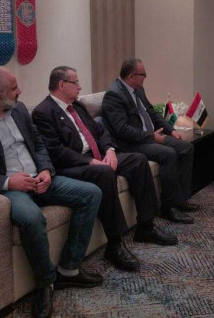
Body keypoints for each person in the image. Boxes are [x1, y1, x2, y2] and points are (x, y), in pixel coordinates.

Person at [0, 67, 102, 318]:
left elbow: (39, 145)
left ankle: (69, 268)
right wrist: (8, 182)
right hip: (12, 190)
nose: (20, 91)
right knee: (31, 218)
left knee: (91, 193)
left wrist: (46, 170)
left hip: (41, 179)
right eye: (14, 88)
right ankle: (45, 282)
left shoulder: (19, 110)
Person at [32, 67, 178, 272]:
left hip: (98, 156)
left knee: (137, 160)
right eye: (75, 82)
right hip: (73, 166)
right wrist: (92, 162)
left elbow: (100, 130)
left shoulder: (77, 106)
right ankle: (115, 243)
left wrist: (110, 150)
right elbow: (55, 151)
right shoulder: (43, 112)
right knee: (104, 173)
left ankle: (146, 226)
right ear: (61, 84)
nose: (80, 87)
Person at [102, 58, 198, 224]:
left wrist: (171, 130)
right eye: (143, 74)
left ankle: (180, 200)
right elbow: (122, 130)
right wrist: (151, 137)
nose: (145, 78)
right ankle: (168, 207)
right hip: (132, 144)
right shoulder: (114, 95)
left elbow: (152, 113)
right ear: (132, 76)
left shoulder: (138, 89)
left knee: (187, 148)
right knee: (169, 154)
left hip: (149, 137)